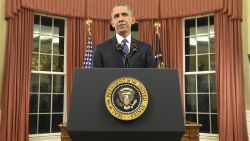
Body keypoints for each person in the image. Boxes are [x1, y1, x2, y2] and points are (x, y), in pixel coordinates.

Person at [93, 3, 156, 68]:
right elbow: (96, 76)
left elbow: (151, 76)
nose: (121, 19)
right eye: (116, 16)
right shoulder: (100, 49)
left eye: (124, 15)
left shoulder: (145, 48)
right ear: (112, 23)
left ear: (132, 20)